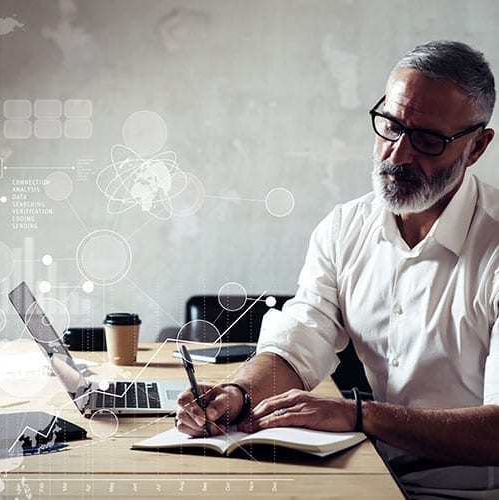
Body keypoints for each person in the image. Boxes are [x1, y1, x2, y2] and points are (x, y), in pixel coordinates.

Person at [177, 40, 499, 498]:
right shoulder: (345, 227)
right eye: (390, 125)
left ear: (477, 146)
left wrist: (359, 414)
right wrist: (239, 394)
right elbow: (299, 343)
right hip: (368, 476)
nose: (398, 155)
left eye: (428, 140)